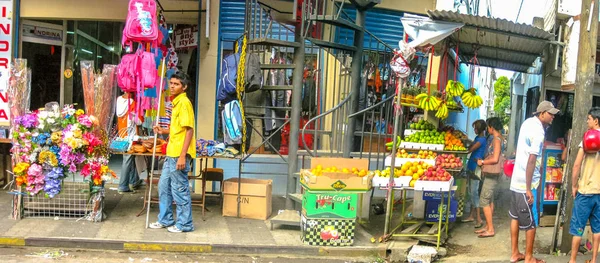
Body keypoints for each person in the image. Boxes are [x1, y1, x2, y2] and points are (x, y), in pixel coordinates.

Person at [510, 101, 558, 263]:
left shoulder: (527, 123)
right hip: (525, 184)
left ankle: (515, 253)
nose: (553, 116)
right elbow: (532, 160)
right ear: (542, 113)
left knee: (515, 217)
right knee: (531, 223)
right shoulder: (538, 132)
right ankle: (529, 257)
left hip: (516, 180)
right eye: (550, 113)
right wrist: (529, 188)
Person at [149, 73, 196, 233]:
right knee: (164, 187)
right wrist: (162, 130)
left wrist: (183, 155)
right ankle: (166, 219)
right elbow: (178, 129)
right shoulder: (176, 103)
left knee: (180, 189)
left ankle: (185, 224)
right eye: (171, 83)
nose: (172, 86)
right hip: (171, 152)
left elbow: (189, 130)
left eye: (176, 84)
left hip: (178, 154)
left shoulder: (184, 103)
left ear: (184, 87)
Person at [568, 107, 600, 263]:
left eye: (589, 118)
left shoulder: (587, 139)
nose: (587, 121)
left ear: (596, 120)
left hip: (585, 191)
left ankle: (572, 260)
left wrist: (574, 185)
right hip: (599, 192)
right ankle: (593, 260)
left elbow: (576, 166)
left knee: (578, 228)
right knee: (597, 228)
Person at [474, 117, 504, 238]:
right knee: (490, 199)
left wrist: (482, 162)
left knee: (484, 200)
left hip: (492, 173)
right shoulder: (500, 138)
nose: (487, 129)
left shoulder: (496, 140)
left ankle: (490, 229)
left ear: (491, 127)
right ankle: (487, 226)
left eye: (488, 127)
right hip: (493, 174)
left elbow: (495, 158)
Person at [462, 119, 488, 228]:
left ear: (479, 129)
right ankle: (472, 216)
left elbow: (470, 149)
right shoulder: (479, 138)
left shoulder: (481, 140)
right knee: (472, 192)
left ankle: (479, 218)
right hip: (472, 167)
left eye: (475, 128)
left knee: (474, 193)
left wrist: (464, 145)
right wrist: (465, 140)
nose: (474, 130)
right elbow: (471, 144)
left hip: (476, 169)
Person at [116, 92, 143, 194]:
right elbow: (138, 121)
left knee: (130, 158)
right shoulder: (132, 103)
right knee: (127, 159)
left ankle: (133, 181)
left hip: (122, 134)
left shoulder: (118, 100)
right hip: (131, 136)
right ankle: (122, 185)